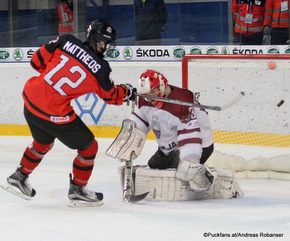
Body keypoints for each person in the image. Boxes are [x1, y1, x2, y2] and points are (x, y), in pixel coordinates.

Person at [1, 19, 136, 207]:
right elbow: (111, 97)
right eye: (107, 43)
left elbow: (36, 62)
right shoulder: (101, 68)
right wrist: (127, 91)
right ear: (98, 40)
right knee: (89, 147)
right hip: (53, 111)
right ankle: (78, 190)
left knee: (42, 142)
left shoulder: (65, 40)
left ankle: (19, 176)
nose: (108, 48)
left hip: (31, 101)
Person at [108, 69, 243, 201]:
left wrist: (190, 161)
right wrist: (126, 142)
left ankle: (223, 183)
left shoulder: (181, 102)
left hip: (199, 144)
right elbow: (138, 123)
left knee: (186, 173)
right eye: (147, 93)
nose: (150, 98)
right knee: (154, 166)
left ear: (161, 86)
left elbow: (191, 134)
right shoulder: (145, 99)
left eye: (153, 92)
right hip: (169, 148)